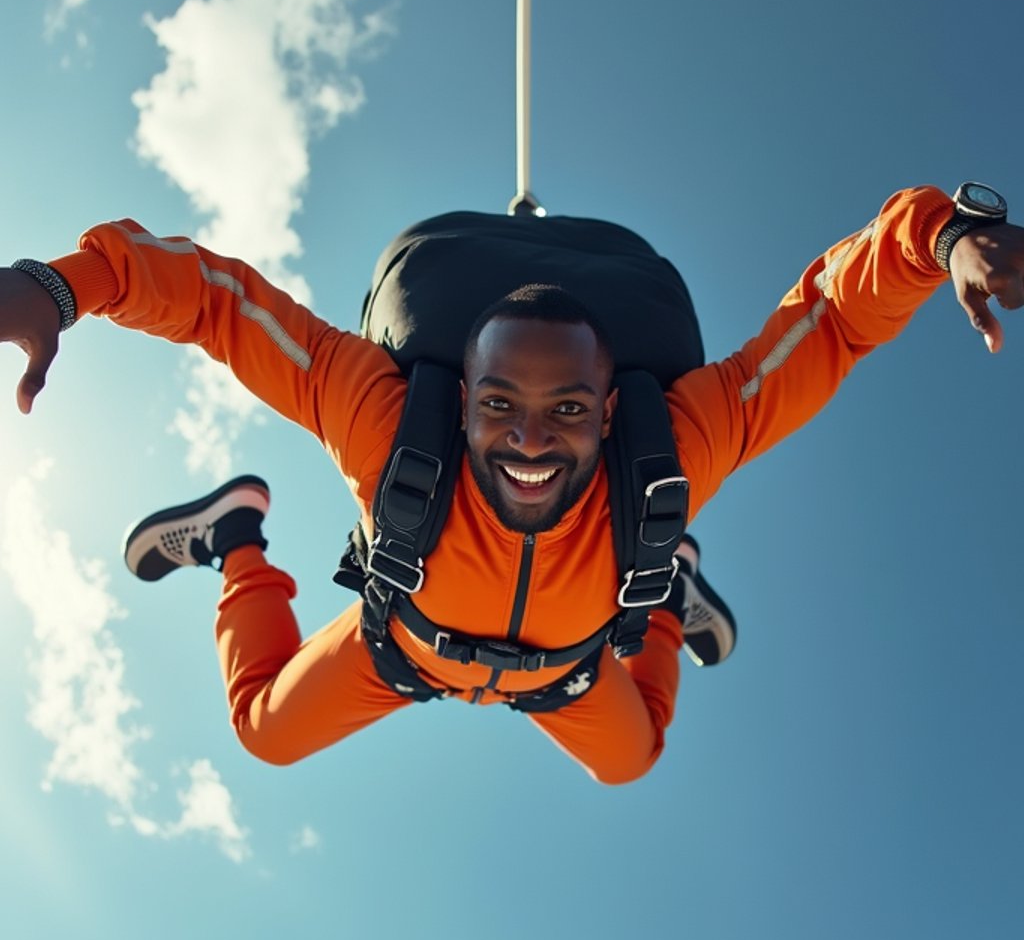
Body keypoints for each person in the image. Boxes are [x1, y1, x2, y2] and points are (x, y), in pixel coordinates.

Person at [2, 183, 1021, 784]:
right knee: (262, 730)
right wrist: (62, 286)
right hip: (401, 651)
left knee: (634, 758)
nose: (530, 440)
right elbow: (220, 303)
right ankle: (236, 539)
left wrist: (938, 240)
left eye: (568, 410)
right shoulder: (384, 416)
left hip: (567, 673)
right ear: (462, 398)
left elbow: (829, 323)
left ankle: (664, 592)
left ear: (611, 409)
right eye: (500, 406)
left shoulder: (673, 446)